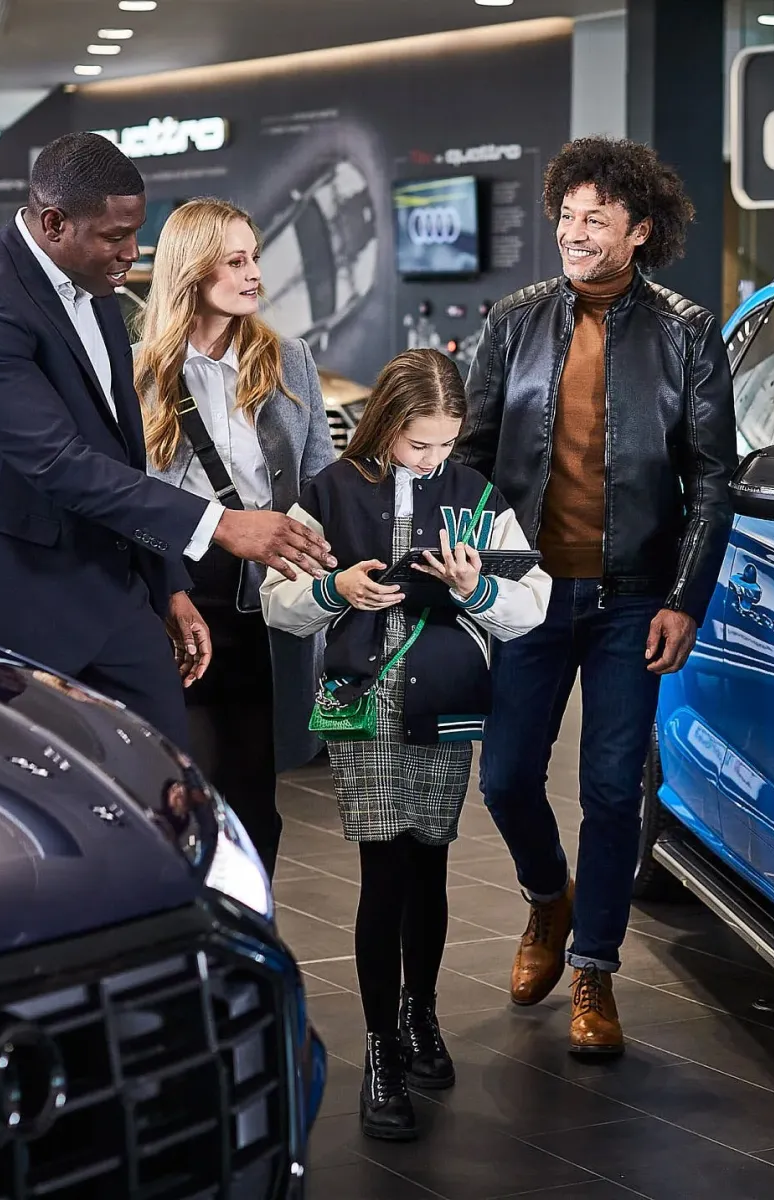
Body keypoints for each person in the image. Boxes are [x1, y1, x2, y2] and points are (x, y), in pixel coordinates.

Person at [0, 132, 334, 749]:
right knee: (27, 799)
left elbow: (120, 457)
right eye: (115, 236)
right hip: (14, 597)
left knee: (164, 782)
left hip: (117, 593)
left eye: (136, 233)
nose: (132, 253)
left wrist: (166, 584)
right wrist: (220, 525)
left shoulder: (98, 291)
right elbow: (58, 461)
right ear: (54, 223)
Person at [457, 136, 736, 1058]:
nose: (574, 235)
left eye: (596, 220)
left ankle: (595, 970)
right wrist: (476, 566)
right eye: (567, 218)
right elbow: (471, 455)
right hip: (527, 594)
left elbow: (711, 476)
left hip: (632, 599)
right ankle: (548, 898)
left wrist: (684, 599)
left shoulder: (688, 334)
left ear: (639, 230)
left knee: (614, 792)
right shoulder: (513, 321)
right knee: (503, 778)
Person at [262, 348, 550, 1142]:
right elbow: (278, 602)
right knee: (382, 867)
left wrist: (473, 587)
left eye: (446, 444)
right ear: (386, 423)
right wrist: (334, 589)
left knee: (431, 859)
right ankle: (382, 1050)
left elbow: (530, 604)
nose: (434, 458)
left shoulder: (476, 496)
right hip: (363, 701)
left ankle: (423, 1015)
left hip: (449, 701)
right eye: (419, 442)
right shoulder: (328, 493)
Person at [134, 198, 335, 878]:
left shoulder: (289, 360)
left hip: (263, 606)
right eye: (237, 260)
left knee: (255, 799)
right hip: (172, 598)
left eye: (256, 258)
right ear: (192, 271)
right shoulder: (134, 372)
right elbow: (119, 496)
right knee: (183, 787)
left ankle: (249, 939)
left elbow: (320, 483)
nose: (255, 275)